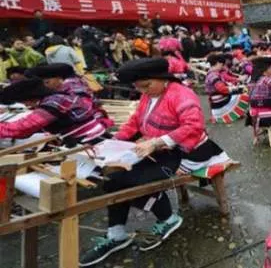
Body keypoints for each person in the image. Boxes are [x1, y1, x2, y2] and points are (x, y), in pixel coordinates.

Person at [80, 58, 231, 266]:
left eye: (147, 85)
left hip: (187, 151)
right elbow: (135, 122)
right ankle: (116, 234)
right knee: (113, 180)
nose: (144, 91)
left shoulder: (182, 95)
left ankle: (168, 219)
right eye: (139, 88)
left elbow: (193, 127)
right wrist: (113, 143)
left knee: (135, 180)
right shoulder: (148, 96)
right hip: (157, 149)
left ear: (162, 79)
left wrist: (157, 142)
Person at [0, 76, 110, 144]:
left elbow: (21, 128)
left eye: (22, 102)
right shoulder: (57, 97)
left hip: (87, 140)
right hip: (94, 133)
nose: (25, 105)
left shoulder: (53, 103)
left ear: (28, 99)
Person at [205, 53, 249, 124]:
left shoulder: (213, 73)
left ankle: (236, 113)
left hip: (218, 98)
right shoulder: (213, 75)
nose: (222, 66)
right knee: (244, 93)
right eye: (222, 65)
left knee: (240, 90)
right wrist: (235, 88)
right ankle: (232, 114)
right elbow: (222, 88)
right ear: (218, 63)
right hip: (219, 99)